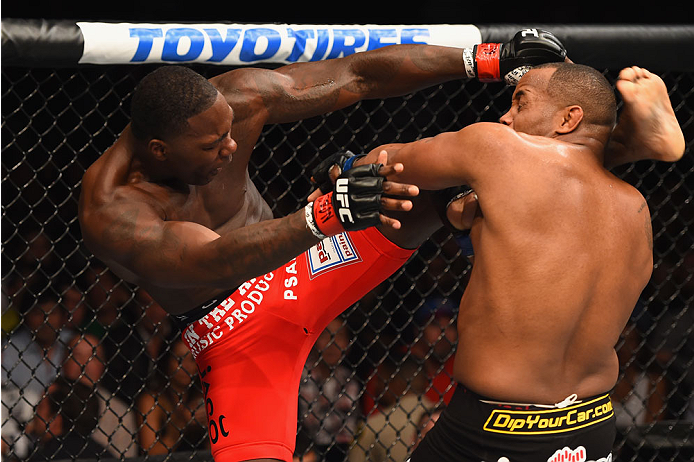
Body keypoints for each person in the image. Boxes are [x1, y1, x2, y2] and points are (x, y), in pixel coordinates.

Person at [77, 28, 569, 462]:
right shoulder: (112, 212)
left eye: (229, 134)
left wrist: (483, 59)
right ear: (159, 150)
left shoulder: (235, 101)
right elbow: (208, 258)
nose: (230, 149)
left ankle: (602, 151)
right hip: (230, 332)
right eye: (212, 146)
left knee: (421, 185)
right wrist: (325, 213)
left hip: (303, 267)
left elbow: (356, 76)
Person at [320, 63, 685, 461]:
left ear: (568, 118)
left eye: (520, 103)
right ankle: (631, 142)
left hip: (495, 428)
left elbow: (393, 164)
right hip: (591, 424)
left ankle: (630, 143)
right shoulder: (636, 209)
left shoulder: (496, 148)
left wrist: (345, 166)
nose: (506, 117)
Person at [349, 356, 433, 462]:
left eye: (380, 379)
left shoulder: (372, 426)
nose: (375, 385)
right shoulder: (443, 419)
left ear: (395, 382)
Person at [25, 376, 108, 461]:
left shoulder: (46, 457)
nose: (34, 412)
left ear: (54, 420)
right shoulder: (105, 455)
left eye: (40, 407)